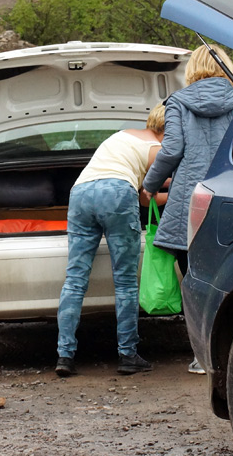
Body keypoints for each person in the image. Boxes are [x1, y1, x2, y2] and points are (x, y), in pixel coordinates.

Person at [142, 43, 233, 373]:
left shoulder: (178, 103)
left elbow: (170, 152)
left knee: (195, 280)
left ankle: (203, 358)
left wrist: (150, 185)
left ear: (192, 70)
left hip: (191, 204)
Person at [56, 104, 166, 379]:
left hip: (81, 193)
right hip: (117, 193)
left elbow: (141, 192)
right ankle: (128, 355)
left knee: (75, 279)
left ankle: (64, 355)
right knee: (126, 281)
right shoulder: (158, 149)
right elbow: (146, 197)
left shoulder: (123, 135)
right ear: (169, 129)